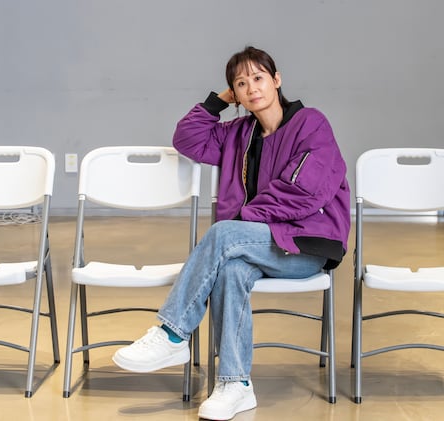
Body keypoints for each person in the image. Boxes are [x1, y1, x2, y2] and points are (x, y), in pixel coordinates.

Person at [112, 45, 351, 420]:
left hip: (305, 246)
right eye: (241, 84)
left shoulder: (310, 124)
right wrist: (220, 100)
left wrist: (243, 219)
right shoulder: (238, 133)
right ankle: (236, 384)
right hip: (255, 246)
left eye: (258, 78)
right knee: (230, 270)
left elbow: (304, 189)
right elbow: (187, 140)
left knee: (224, 234)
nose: (252, 88)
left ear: (276, 80)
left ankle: (172, 334)